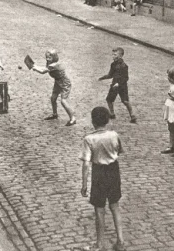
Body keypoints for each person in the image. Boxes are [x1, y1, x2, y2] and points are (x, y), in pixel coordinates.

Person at [81, 106, 126, 251]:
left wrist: (84, 184)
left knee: (99, 209)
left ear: (93, 121)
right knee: (115, 206)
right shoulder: (114, 134)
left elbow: (86, 164)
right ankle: (120, 241)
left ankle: (99, 244)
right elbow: (119, 150)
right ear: (107, 120)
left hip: (99, 173)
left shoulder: (89, 139)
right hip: (113, 170)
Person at [32, 49, 76, 126]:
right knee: (53, 98)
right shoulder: (50, 63)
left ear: (54, 57)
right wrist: (35, 65)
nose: (47, 59)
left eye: (49, 57)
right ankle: (54, 114)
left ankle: (73, 118)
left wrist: (35, 68)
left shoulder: (54, 65)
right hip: (58, 81)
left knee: (63, 101)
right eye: (47, 57)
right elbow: (44, 68)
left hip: (65, 83)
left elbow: (43, 71)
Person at [98, 47, 137, 123]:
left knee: (125, 101)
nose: (113, 56)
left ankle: (132, 115)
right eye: (112, 54)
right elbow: (110, 75)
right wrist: (102, 78)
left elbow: (126, 77)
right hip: (114, 85)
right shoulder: (113, 64)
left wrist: (118, 83)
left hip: (122, 86)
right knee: (109, 100)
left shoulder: (124, 66)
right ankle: (112, 114)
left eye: (115, 55)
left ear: (120, 56)